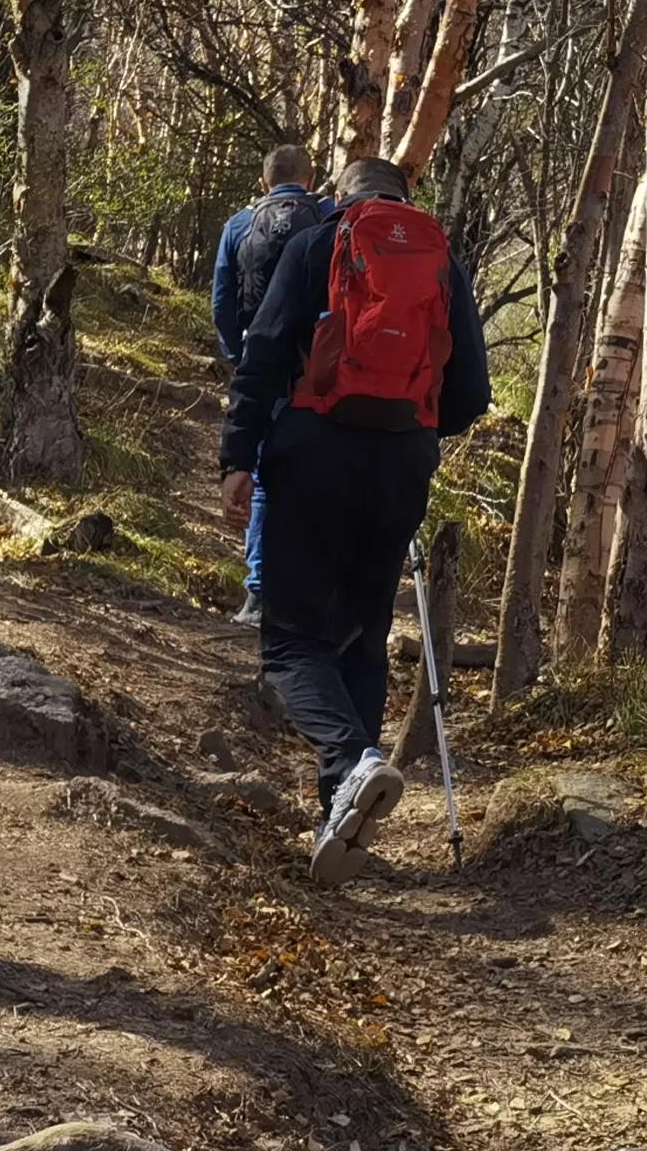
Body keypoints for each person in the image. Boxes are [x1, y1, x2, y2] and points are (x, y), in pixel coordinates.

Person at [220, 153, 488, 881]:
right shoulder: (441, 261)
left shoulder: (316, 243)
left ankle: (351, 763)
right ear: (406, 197)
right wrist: (409, 425)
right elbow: (471, 390)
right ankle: (336, 812)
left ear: (340, 195)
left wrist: (239, 455)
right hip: (401, 462)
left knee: (290, 644)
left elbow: (265, 350)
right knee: (363, 639)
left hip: (313, 453)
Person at [209, 144, 328, 620]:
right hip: (315, 370)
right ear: (310, 177)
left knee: (260, 478)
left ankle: (259, 594)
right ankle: (305, 588)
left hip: (261, 368)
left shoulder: (239, 225)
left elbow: (222, 301)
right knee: (316, 473)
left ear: (263, 183)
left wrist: (240, 358)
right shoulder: (328, 220)